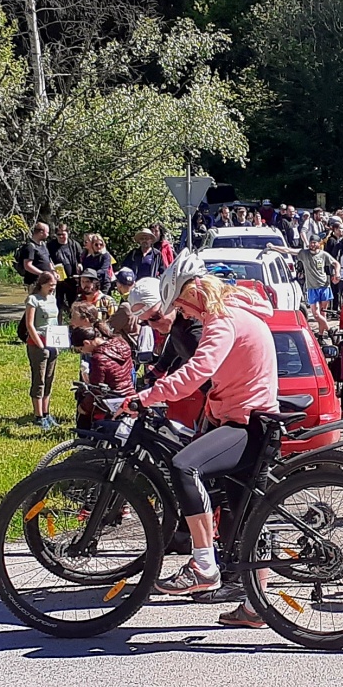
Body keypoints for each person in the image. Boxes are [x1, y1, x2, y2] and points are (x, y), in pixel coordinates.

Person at [130, 254, 281, 628]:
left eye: (181, 305)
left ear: (194, 292)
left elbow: (199, 370)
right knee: (245, 516)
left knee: (184, 465)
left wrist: (148, 396)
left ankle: (203, 564)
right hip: (248, 418)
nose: (182, 313)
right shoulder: (235, 311)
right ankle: (256, 607)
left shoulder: (222, 319)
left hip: (248, 424)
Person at [21, 271, 66, 429]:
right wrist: (39, 343)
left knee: (49, 379)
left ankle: (46, 413)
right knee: (39, 380)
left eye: (55, 285)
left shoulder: (53, 298)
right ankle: (38, 415)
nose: (53, 288)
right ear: (42, 284)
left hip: (53, 343)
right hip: (38, 344)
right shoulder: (33, 300)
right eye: (50, 285)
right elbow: (29, 324)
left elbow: (56, 321)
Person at [73, 326, 136, 419]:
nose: (83, 352)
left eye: (81, 349)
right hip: (130, 396)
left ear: (86, 343)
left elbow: (97, 390)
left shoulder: (98, 358)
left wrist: (83, 407)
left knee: (83, 413)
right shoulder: (122, 343)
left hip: (110, 402)